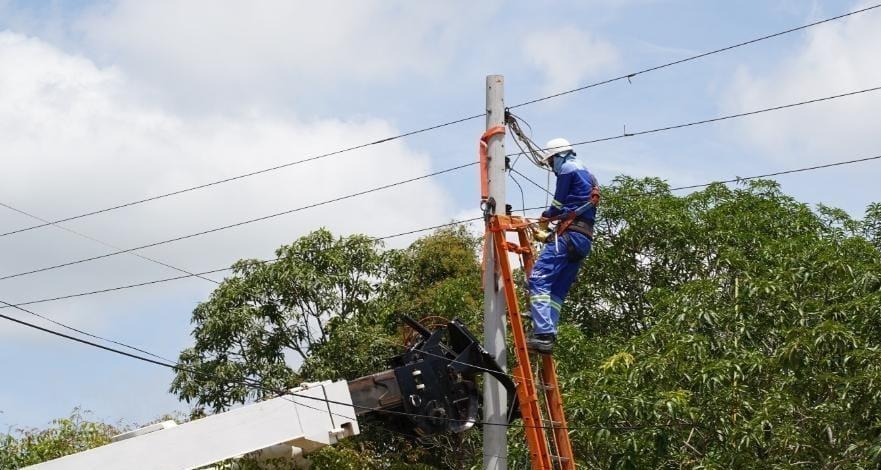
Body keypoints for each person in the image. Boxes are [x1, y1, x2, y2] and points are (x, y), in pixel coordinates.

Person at [526, 138, 598, 354]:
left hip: (570, 235)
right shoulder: (588, 174)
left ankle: (544, 332)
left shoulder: (567, 168)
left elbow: (558, 205)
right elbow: (575, 206)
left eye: (550, 162)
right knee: (556, 291)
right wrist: (549, 234)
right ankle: (548, 330)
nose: (551, 166)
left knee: (538, 278)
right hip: (583, 238)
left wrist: (545, 218)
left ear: (558, 156)